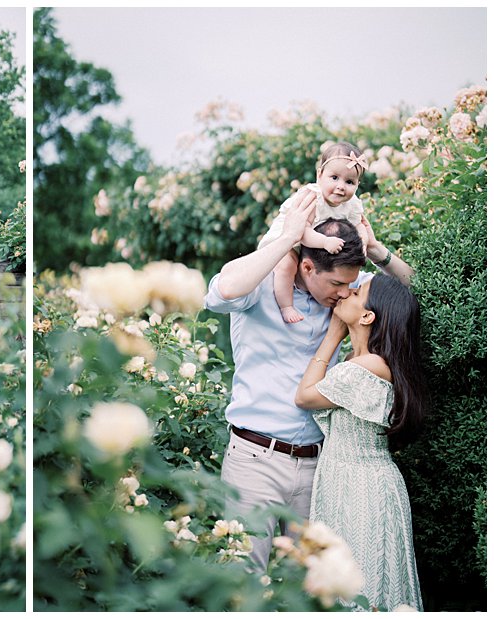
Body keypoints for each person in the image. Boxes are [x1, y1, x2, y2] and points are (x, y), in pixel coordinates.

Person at [203, 189, 414, 569]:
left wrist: (378, 251)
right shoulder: (263, 286)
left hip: (320, 467)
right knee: (242, 580)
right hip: (255, 459)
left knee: (310, 588)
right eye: (337, 286)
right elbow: (220, 293)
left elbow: (410, 290)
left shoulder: (345, 291)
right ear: (307, 268)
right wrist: (287, 238)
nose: (345, 293)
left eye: (350, 286)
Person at [295, 274, 424, 610]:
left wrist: (332, 335)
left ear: (368, 316)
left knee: (359, 588)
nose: (349, 292)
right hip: (355, 480)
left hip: (361, 489)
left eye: (358, 291)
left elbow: (305, 396)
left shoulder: (363, 368)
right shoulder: (363, 363)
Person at [258, 142, 369, 324]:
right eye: (334, 178)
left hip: (312, 246)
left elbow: (360, 226)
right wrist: (325, 242)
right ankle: (286, 306)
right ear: (320, 175)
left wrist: (363, 242)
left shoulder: (352, 204)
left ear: (357, 184)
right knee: (287, 265)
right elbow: (301, 233)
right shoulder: (312, 197)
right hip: (287, 241)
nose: (341, 186)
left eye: (349, 182)